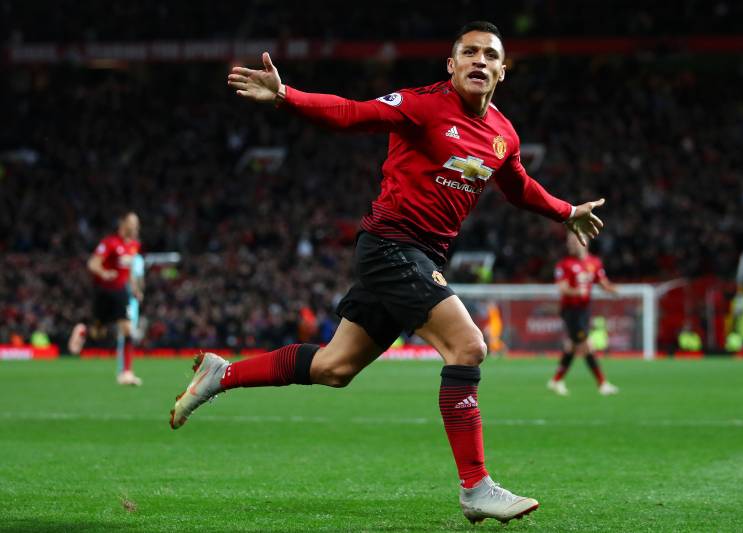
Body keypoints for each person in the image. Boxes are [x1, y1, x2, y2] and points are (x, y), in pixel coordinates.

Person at [172, 21, 606, 524]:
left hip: (420, 256)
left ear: (502, 71)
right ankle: (476, 487)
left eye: (489, 55)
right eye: (468, 53)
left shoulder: (504, 134)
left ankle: (222, 374)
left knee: (335, 368)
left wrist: (565, 209)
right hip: (391, 246)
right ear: (451, 64)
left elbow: (520, 186)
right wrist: (286, 95)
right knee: (468, 346)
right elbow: (353, 115)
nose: (479, 61)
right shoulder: (422, 105)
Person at [547, 233, 619, 396]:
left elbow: (602, 282)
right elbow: (562, 288)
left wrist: (613, 290)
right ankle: (602, 383)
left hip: (584, 310)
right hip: (571, 311)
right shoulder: (564, 265)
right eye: (569, 242)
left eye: (573, 241)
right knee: (586, 345)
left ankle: (556, 380)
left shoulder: (594, 262)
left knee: (572, 346)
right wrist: (576, 291)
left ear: (584, 242)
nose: (571, 245)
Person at [86, 212, 143, 385]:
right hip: (103, 291)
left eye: (137, 223)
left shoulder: (134, 245)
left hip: (121, 292)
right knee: (98, 334)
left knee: (127, 329)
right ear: (123, 224)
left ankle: (126, 373)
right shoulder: (109, 243)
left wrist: (135, 288)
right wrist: (104, 272)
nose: (135, 227)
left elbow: (129, 270)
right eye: (133, 223)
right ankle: (82, 331)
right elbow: (92, 263)